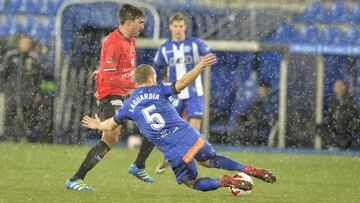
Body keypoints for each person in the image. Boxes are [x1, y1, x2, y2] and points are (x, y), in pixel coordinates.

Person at [82, 53, 276, 192]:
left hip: (175, 152)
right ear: (151, 78)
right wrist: (199, 66)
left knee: (194, 182)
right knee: (211, 159)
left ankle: (224, 181)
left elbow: (110, 125)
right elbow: (182, 83)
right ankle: (246, 169)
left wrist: (98, 125)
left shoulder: (129, 105)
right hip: (191, 136)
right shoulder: (159, 89)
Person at [65, 4, 153, 191]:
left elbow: (115, 69)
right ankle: (75, 179)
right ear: (129, 22)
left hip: (123, 93)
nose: (142, 26)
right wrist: (135, 85)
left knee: (149, 122)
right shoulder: (113, 42)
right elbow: (111, 77)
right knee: (112, 136)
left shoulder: (130, 40)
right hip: (110, 94)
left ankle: (139, 165)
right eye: (140, 22)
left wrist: (103, 71)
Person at [129, 12, 212, 175]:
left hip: (195, 91)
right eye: (175, 26)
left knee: (195, 126)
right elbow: (156, 70)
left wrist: (205, 58)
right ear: (170, 27)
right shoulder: (165, 48)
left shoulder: (196, 44)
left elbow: (208, 55)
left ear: (185, 27)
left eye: (181, 26)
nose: (178, 29)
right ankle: (170, 156)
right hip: (174, 93)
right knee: (164, 127)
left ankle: (179, 158)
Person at [0, 34, 43, 143]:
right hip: (11, 92)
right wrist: (3, 88)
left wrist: (37, 93)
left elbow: (38, 78)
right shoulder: (11, 55)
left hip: (27, 93)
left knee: (27, 116)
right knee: (9, 114)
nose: (25, 45)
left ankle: (25, 137)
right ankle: (7, 136)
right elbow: (3, 73)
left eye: (28, 43)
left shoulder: (33, 58)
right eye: (24, 42)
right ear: (19, 43)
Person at [320, 80, 360, 149]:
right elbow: (330, 115)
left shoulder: (349, 99)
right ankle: (330, 146)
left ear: (343, 87)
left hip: (347, 126)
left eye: (338, 86)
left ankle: (345, 144)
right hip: (335, 125)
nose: (336, 88)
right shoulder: (333, 99)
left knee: (342, 121)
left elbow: (353, 114)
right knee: (320, 128)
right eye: (335, 87)